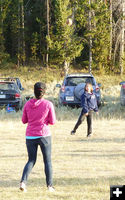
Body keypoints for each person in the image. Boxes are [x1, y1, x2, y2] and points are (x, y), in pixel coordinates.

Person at [20, 82, 56, 192]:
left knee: (31, 160)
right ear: (44, 92)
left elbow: (24, 121)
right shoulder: (48, 104)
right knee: (47, 161)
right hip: (44, 135)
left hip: (30, 136)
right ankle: (50, 186)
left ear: (34, 92)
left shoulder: (27, 104)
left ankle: (23, 182)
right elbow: (52, 121)